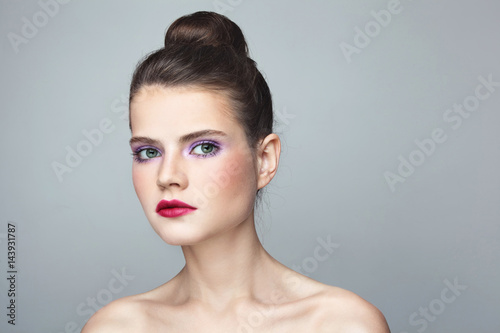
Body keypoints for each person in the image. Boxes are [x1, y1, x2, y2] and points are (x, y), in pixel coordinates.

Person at [82, 11, 390, 332]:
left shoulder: (341, 324)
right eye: (149, 152)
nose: (167, 176)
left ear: (265, 160)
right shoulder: (117, 327)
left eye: (203, 147)